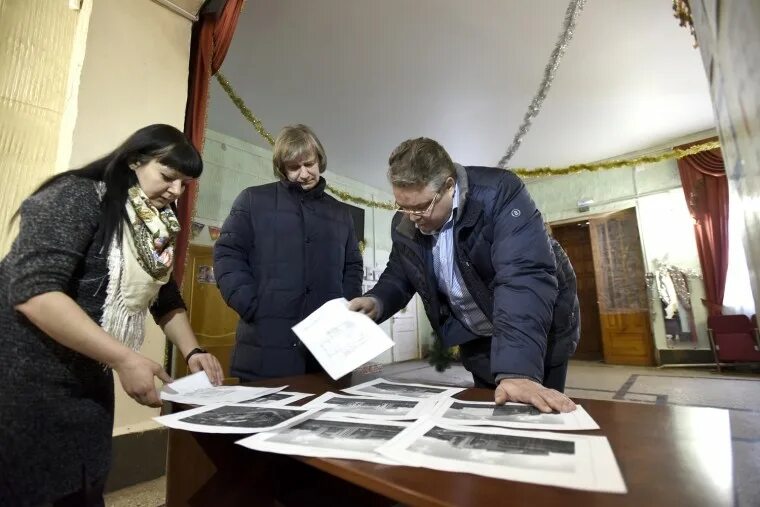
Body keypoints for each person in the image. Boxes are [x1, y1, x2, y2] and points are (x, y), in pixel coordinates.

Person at [0, 124, 224, 507]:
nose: (175, 192)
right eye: (168, 177)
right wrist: (124, 357)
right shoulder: (75, 196)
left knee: (83, 482)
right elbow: (35, 292)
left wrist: (193, 351)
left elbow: (163, 294)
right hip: (26, 379)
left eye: (184, 184)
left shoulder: (153, 222)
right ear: (135, 160)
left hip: (88, 377)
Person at [349, 137, 579, 413]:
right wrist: (377, 300)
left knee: (533, 412)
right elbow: (401, 272)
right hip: (476, 332)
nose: (411, 217)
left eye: (421, 206)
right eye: (402, 206)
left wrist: (518, 370)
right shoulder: (406, 222)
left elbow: (523, 278)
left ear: (449, 185)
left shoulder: (500, 193)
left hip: (536, 329)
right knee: (490, 409)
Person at [214, 124, 363, 381]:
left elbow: (352, 266)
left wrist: (345, 309)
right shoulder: (252, 201)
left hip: (329, 350)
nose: (304, 173)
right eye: (294, 167)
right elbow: (227, 255)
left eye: (309, 163)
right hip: (266, 344)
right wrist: (251, 305)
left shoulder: (342, 214)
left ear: (320, 160)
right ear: (282, 169)